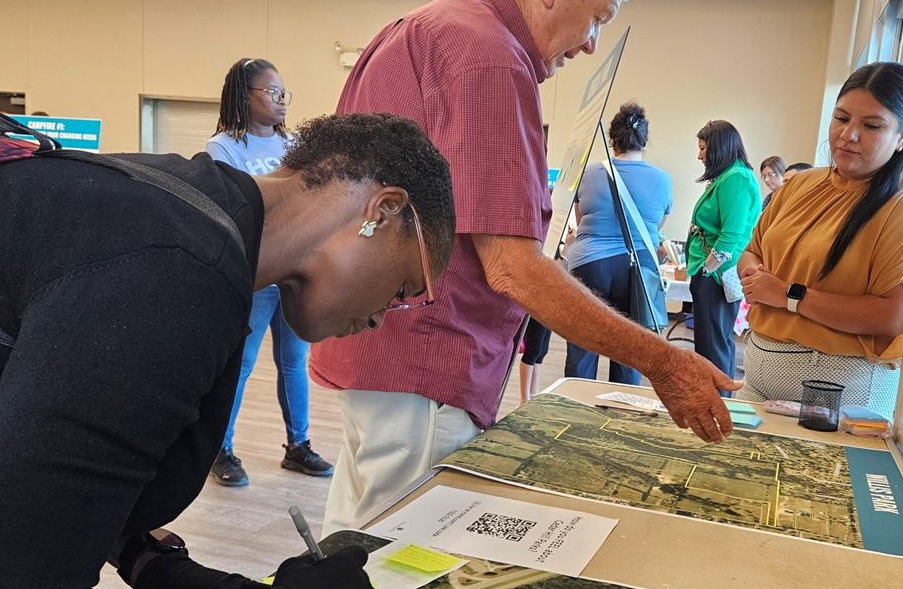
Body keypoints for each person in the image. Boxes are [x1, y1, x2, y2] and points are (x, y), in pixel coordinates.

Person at [0, 112, 456, 589]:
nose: (382, 318)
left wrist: (147, 558)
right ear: (383, 210)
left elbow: (31, 426)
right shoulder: (176, 275)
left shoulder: (179, 201)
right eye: (406, 289)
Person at [311, 0, 740, 535]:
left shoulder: (429, 27)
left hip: (379, 352)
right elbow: (511, 266)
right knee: (403, 548)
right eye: (597, 18)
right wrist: (664, 362)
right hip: (426, 360)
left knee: (354, 536)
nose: (591, 44)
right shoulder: (490, 54)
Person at [738, 62, 903, 418]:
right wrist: (756, 278)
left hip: (838, 384)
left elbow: (891, 315)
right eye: (841, 118)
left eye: (871, 126)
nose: (848, 134)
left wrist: (787, 295)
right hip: (758, 368)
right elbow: (752, 251)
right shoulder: (800, 184)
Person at [205, 58, 333, 486]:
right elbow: (234, 213)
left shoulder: (294, 145)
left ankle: (298, 446)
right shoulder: (223, 149)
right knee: (241, 364)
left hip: (295, 274)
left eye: (284, 93)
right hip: (257, 275)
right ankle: (220, 449)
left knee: (294, 363)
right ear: (245, 97)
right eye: (272, 92)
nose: (282, 101)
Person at [563, 102, 673, 385]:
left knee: (583, 348)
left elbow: (580, 217)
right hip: (637, 269)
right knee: (629, 351)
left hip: (589, 265)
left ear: (613, 140)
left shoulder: (589, 173)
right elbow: (656, 226)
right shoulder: (662, 179)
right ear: (644, 141)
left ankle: (575, 402)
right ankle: (621, 403)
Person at [685, 120, 762, 397]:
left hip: (716, 275)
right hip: (712, 272)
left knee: (712, 347)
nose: (700, 156)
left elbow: (731, 234)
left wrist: (708, 270)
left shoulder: (736, 178)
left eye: (703, 148)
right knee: (715, 343)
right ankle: (717, 402)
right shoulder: (728, 176)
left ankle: (715, 403)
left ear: (718, 147)